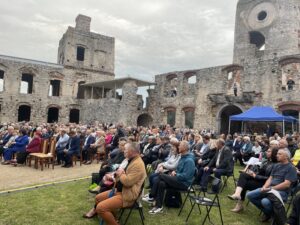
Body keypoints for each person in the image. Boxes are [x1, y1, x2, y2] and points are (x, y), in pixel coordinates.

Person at [83, 142, 147, 225]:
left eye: (125, 150)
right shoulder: (131, 160)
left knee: (100, 208)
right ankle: (114, 219)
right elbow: (121, 176)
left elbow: (128, 182)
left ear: (131, 151)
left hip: (128, 195)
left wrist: (121, 174)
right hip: (121, 190)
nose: (123, 151)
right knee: (98, 198)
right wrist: (117, 174)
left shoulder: (138, 164)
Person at [247, 148, 298, 222]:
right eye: (277, 153)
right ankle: (270, 214)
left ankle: (272, 215)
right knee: (250, 195)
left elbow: (286, 184)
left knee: (265, 201)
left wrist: (272, 188)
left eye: (279, 154)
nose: (277, 155)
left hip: (281, 192)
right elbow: (270, 178)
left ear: (286, 157)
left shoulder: (291, 168)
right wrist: (265, 186)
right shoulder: (276, 165)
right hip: (270, 189)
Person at [145, 140, 195, 214]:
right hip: (178, 180)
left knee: (161, 175)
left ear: (184, 148)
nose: (178, 147)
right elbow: (179, 170)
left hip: (184, 184)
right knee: (161, 183)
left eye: (180, 145)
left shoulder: (189, 160)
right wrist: (175, 172)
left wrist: (176, 174)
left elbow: (186, 176)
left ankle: (151, 195)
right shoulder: (183, 157)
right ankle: (159, 206)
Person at [227, 148, 278, 213]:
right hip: (258, 180)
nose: (266, 152)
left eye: (269, 151)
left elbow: (269, 179)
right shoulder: (267, 161)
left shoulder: (276, 165)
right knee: (243, 175)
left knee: (243, 184)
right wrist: (253, 172)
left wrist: (255, 176)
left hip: (264, 184)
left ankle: (239, 203)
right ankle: (237, 194)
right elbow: (261, 172)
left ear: (273, 154)